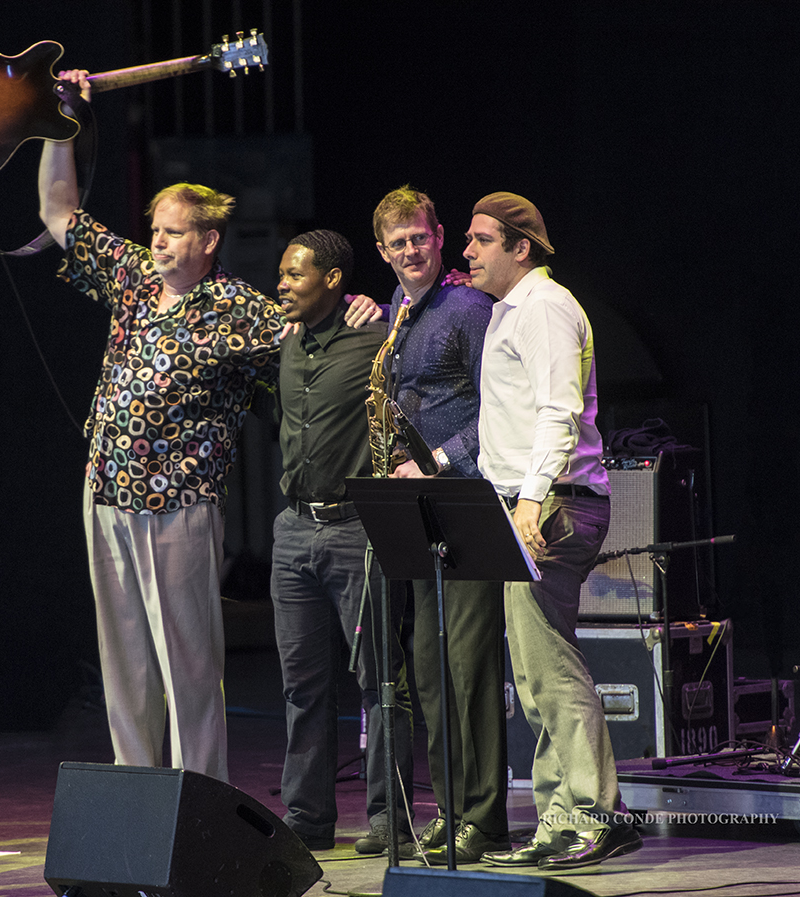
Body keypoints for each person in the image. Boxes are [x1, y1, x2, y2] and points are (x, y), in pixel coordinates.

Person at [36, 70, 284, 781]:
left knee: (188, 664)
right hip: (107, 495)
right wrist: (61, 123)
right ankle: (137, 800)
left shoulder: (234, 306)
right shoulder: (135, 281)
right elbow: (59, 213)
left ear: (209, 239)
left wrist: (362, 311)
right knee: (126, 665)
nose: (160, 243)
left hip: (179, 505)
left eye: (173, 233)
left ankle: (200, 800)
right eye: (155, 231)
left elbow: (305, 345)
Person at [463, 192, 642, 870]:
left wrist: (531, 501)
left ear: (521, 247)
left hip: (553, 505)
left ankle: (595, 814)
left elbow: (560, 412)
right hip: (529, 502)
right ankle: (561, 817)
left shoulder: (543, 307)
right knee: (535, 672)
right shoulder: (514, 311)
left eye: (481, 239)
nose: (468, 251)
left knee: (549, 666)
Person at [368, 186, 511, 865]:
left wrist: (442, 461)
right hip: (418, 510)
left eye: (419, 238)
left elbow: (501, 408)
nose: (410, 250)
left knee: (468, 666)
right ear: (383, 251)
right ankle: (452, 811)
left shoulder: (469, 307)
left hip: (466, 501)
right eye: (397, 243)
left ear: (438, 234)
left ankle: (484, 818)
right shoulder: (398, 313)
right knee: (429, 670)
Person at [269, 229, 415, 854]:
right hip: (293, 529)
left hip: (357, 528)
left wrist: (378, 310)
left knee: (379, 679)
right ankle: (306, 818)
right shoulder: (284, 340)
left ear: (333, 281)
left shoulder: (373, 340)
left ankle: (389, 817)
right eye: (281, 274)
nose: (282, 285)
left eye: (295, 275)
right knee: (303, 684)